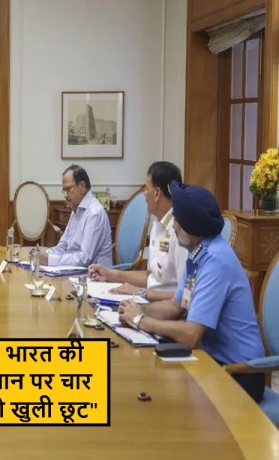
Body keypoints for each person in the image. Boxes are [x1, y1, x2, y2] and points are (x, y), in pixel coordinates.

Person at [118, 182, 265, 403]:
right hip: (210, 360)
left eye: (178, 220)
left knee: (165, 399)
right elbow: (175, 307)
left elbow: (191, 335)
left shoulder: (215, 261)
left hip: (239, 373)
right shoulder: (197, 254)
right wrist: (136, 309)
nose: (174, 226)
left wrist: (141, 320)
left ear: (191, 226)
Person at [89, 161, 187, 302]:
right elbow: (150, 277)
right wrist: (109, 274)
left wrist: (141, 293)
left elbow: (185, 296)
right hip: (149, 300)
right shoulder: (157, 224)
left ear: (157, 193)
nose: (144, 194)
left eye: (147, 188)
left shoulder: (181, 231)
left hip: (166, 308)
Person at [36, 165, 112, 266]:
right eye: (64, 191)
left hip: (94, 273)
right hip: (76, 270)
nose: (65, 195)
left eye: (68, 189)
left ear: (82, 187)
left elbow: (84, 259)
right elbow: (63, 246)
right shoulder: (76, 209)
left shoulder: (95, 213)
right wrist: (44, 254)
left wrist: (49, 260)